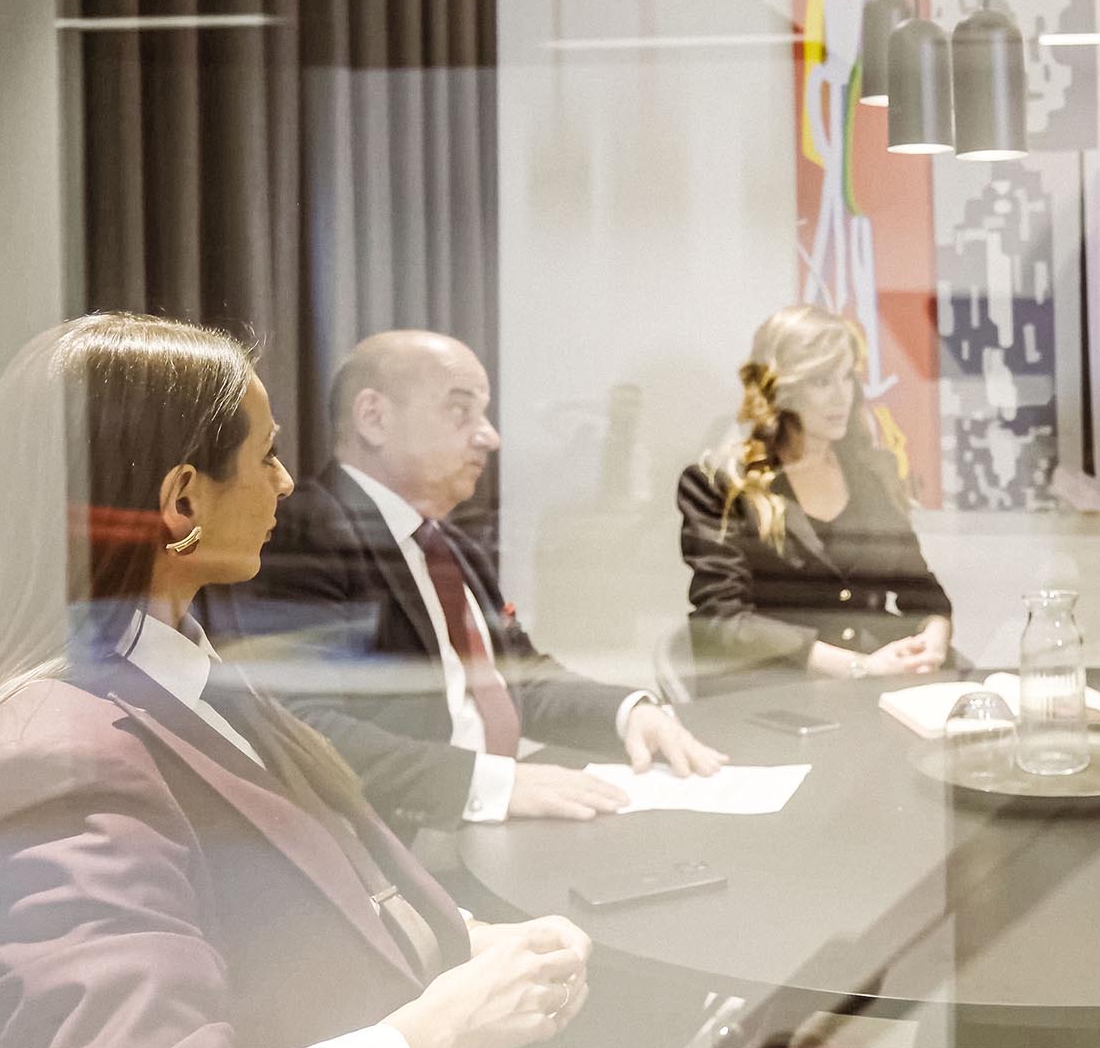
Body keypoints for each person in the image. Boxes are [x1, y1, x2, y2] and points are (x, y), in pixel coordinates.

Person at [0, 313, 594, 1048]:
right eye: (266, 454)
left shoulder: (188, 677)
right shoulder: (59, 761)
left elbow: (309, 896)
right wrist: (438, 1028)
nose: (284, 481)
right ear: (183, 502)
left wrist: (465, 939)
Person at [210, 331, 726, 836]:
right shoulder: (303, 535)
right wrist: (489, 785)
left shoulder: (450, 544)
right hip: (400, 839)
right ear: (374, 418)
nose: (489, 436)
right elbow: (298, 727)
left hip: (482, 822)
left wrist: (629, 713)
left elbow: (518, 677)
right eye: (461, 410)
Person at [677, 304, 957, 693]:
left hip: (869, 692)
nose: (841, 397)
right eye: (822, 382)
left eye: (847, 378)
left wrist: (933, 639)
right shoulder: (720, 484)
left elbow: (922, 592)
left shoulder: (871, 475)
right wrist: (858, 667)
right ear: (781, 389)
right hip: (769, 697)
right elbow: (722, 623)